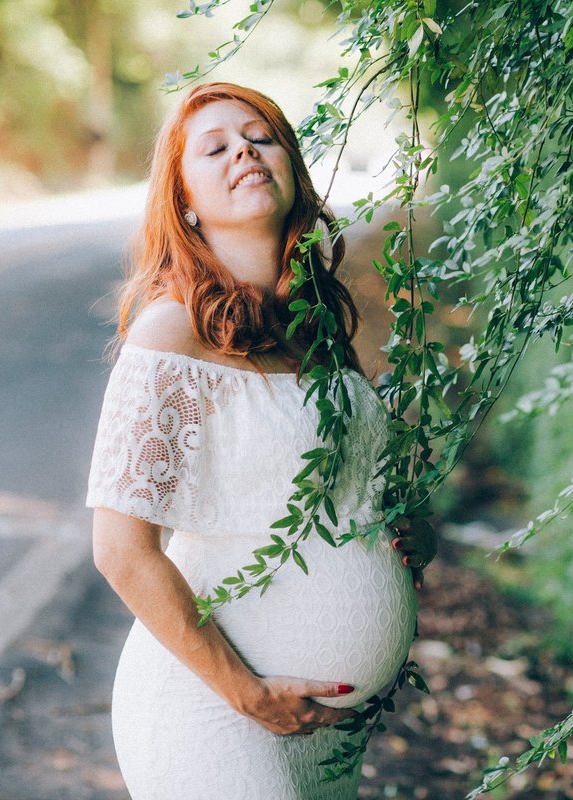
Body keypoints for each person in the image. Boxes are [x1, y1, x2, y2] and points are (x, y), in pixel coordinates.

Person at [85, 82, 435, 799]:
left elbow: (340, 491)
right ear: (184, 199)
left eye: (260, 137)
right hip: (214, 707)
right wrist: (245, 693)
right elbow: (121, 550)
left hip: (323, 728)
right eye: (214, 148)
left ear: (291, 170)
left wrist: (398, 535)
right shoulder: (171, 331)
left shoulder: (315, 329)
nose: (243, 150)